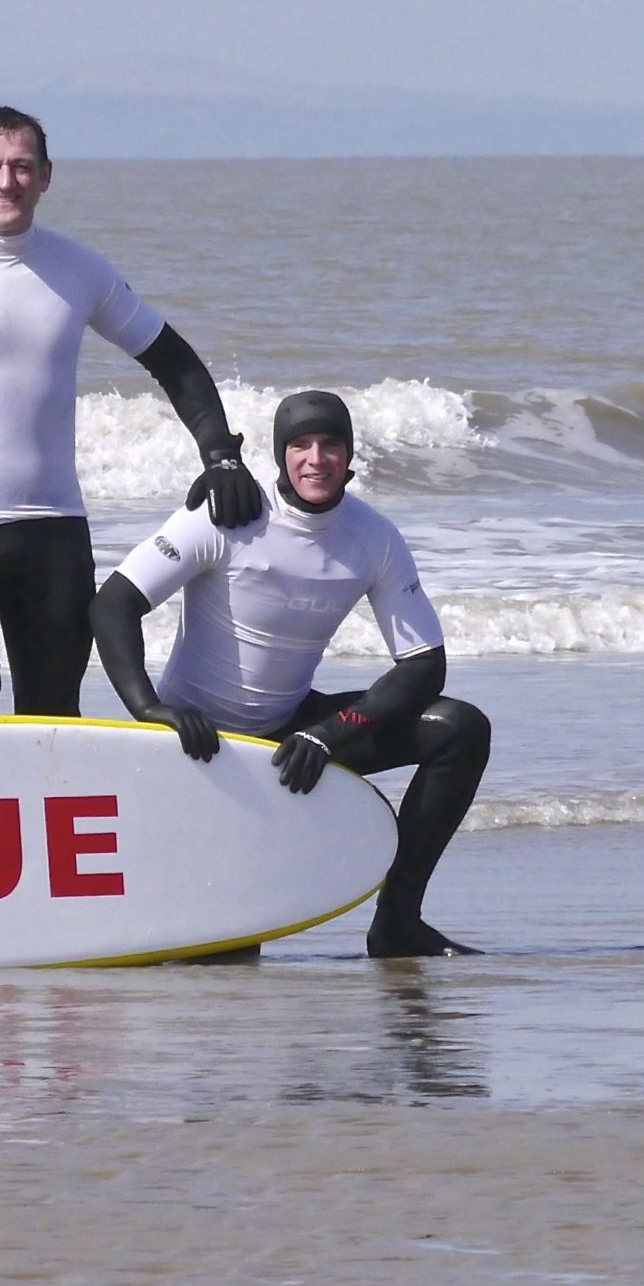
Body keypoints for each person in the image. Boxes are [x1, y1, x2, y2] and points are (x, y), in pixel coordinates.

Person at [0, 104, 262, 717]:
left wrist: (221, 456)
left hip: (54, 536)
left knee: (54, 713)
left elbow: (176, 362)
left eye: (22, 167)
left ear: (46, 175)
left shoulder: (78, 269)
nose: (6, 181)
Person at [90, 389, 491, 958]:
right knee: (226, 958)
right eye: (300, 445)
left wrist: (331, 732)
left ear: (350, 456)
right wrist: (149, 708)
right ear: (281, 456)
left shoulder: (372, 536)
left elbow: (424, 663)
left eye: (331, 444)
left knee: (459, 727)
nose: (315, 459)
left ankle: (398, 921)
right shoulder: (228, 516)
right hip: (200, 745)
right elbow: (113, 603)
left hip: (291, 736)